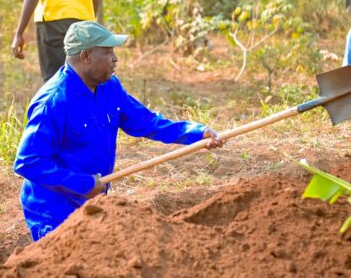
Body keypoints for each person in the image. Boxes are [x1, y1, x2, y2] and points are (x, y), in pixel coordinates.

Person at [13, 21, 225, 241]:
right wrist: (82, 183)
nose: (115, 59)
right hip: (53, 212)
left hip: (90, 202)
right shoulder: (53, 102)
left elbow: (146, 122)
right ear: (86, 57)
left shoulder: (109, 87)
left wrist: (196, 133)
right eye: (108, 52)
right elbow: (28, 162)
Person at [12, 0, 102, 82]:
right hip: (83, 20)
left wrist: (19, 33)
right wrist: (90, 19)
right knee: (82, 80)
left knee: (54, 81)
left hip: (52, 21)